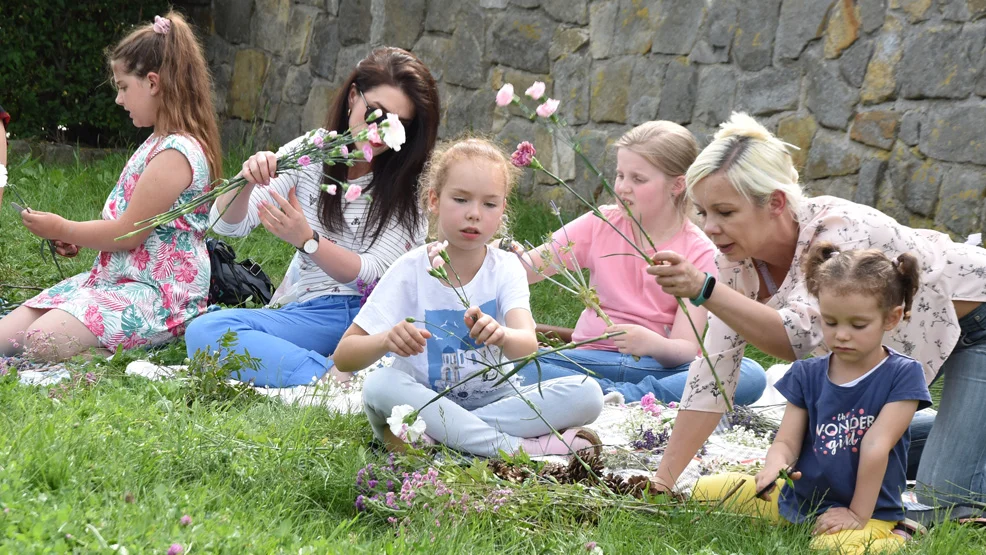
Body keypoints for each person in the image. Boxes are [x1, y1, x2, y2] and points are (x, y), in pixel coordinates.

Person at [646, 112, 986, 508]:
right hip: (919, 340)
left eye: (725, 212)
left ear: (774, 202)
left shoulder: (840, 230)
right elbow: (712, 375)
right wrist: (662, 481)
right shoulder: (736, 264)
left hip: (978, 323)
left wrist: (706, 291)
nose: (710, 227)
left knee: (944, 500)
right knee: (832, 462)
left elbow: (800, 337)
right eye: (702, 213)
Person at [183, 47, 441, 387]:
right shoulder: (314, 151)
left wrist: (309, 241)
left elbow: (375, 276)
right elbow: (226, 224)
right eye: (374, 113)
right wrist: (246, 179)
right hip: (305, 311)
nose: (378, 131)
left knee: (210, 332)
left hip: (363, 315)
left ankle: (327, 378)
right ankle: (334, 371)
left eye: (397, 123)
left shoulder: (411, 186)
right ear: (353, 96)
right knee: (208, 327)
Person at [333, 138, 604, 457]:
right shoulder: (410, 270)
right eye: (461, 199)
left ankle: (446, 443)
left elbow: (526, 346)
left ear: (503, 208)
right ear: (434, 200)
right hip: (424, 402)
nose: (474, 214)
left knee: (589, 393)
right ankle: (521, 450)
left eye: (489, 204)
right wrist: (385, 341)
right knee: (378, 386)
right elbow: (343, 356)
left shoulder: (505, 268)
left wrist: (502, 335)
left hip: (497, 403)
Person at [0, 12, 221, 360]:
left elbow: (127, 234)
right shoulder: (156, 143)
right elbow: (128, 230)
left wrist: (62, 226)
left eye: (122, 87)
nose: (119, 99)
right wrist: (74, 236)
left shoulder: (177, 153)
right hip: (114, 281)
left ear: (153, 82)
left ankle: (133, 353)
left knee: (39, 341)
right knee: (5, 339)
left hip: (158, 296)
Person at [692, 242, 930, 555]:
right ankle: (801, 517)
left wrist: (856, 515)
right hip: (802, 498)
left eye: (858, 325)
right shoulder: (807, 373)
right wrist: (773, 469)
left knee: (829, 549)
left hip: (870, 508)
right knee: (704, 492)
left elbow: (875, 446)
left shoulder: (901, 374)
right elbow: (787, 442)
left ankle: (901, 534)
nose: (841, 334)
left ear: (891, 318)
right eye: (830, 322)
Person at [512, 121, 766, 404]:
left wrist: (651, 343)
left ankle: (617, 396)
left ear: (678, 184)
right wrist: (497, 253)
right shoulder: (599, 224)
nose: (622, 187)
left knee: (750, 374)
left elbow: (685, 347)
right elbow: (526, 269)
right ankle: (615, 395)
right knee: (513, 366)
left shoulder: (700, 252)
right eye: (620, 175)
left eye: (638, 179)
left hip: (657, 367)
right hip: (588, 358)